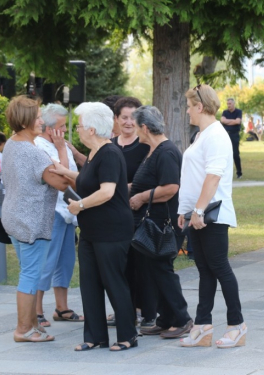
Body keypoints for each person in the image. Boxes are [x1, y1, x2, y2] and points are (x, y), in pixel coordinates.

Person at [50, 102, 138, 351]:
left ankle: (127, 336)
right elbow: (89, 180)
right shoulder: (93, 153)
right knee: (89, 284)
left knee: (114, 282)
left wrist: (80, 206)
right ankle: (95, 337)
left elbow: (107, 191)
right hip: (91, 231)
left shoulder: (109, 153)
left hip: (111, 231)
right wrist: (65, 171)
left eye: (78, 126)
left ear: (91, 129)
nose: (76, 129)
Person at [178, 84, 246, 348]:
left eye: (188, 106)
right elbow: (192, 178)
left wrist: (198, 211)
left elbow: (213, 176)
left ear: (199, 106)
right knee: (205, 270)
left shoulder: (216, 134)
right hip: (198, 214)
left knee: (219, 268)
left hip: (212, 215)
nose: (186, 111)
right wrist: (185, 210)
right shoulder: (201, 135)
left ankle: (237, 325)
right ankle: (202, 325)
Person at [2, 96, 69, 342]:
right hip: (31, 221)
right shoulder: (33, 153)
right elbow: (62, 182)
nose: (42, 121)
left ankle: (31, 325)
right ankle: (24, 329)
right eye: (38, 117)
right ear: (26, 120)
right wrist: (62, 150)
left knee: (26, 272)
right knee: (30, 275)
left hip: (14, 217)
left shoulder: (11, 143)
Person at [130, 105, 192, 339]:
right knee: (153, 271)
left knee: (162, 270)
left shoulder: (166, 152)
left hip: (163, 223)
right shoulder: (153, 151)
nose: (135, 132)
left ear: (145, 128)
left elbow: (170, 188)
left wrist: (141, 197)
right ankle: (166, 318)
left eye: (137, 127)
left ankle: (182, 319)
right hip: (152, 223)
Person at [34, 104, 83, 327]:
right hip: (50, 211)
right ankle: (36, 310)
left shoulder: (59, 143)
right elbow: (62, 178)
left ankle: (62, 307)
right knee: (47, 261)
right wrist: (63, 150)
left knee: (65, 260)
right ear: (48, 128)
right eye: (61, 127)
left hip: (67, 211)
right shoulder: (39, 146)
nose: (64, 131)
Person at [109, 96, 151, 329]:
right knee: (118, 265)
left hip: (138, 214)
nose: (128, 122)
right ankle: (122, 309)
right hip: (113, 215)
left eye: (133, 117)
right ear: (116, 119)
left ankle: (142, 309)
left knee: (139, 265)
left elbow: (145, 181)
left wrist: (116, 189)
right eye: (123, 117)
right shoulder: (109, 146)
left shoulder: (145, 147)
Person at [220, 98, 243, 179]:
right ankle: (225, 173)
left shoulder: (238, 112)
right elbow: (222, 120)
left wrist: (227, 121)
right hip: (226, 135)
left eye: (230, 104)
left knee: (235, 154)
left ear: (233, 104)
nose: (228, 105)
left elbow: (238, 121)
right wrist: (232, 121)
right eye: (227, 104)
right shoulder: (225, 112)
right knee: (225, 154)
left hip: (234, 135)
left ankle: (239, 173)